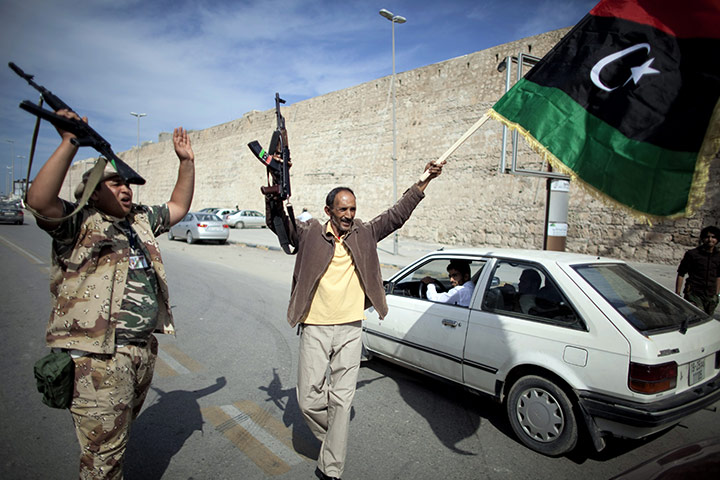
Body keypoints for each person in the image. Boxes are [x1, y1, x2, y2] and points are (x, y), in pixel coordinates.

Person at [26, 109, 195, 479]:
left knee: (114, 445)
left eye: (128, 184)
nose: (125, 189)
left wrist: (186, 163)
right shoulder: (77, 224)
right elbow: (39, 202)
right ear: (92, 190)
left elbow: (178, 207)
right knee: (103, 459)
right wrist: (71, 139)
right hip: (99, 360)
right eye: (114, 183)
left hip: (140, 352)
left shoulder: (139, 221)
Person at [266, 161, 442, 480]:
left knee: (342, 400)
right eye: (343, 209)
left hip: (350, 329)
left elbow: (397, 214)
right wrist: (275, 194)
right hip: (316, 328)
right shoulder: (310, 234)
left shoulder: (364, 233)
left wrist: (424, 180)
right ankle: (334, 441)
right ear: (329, 210)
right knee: (308, 400)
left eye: (352, 209)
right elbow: (282, 225)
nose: (348, 215)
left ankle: (332, 467)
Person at [675, 225, 720, 315]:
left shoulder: (718, 256)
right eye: (707, 237)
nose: (710, 240)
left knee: (707, 319)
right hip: (694, 293)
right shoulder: (692, 254)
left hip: (711, 295)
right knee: (695, 316)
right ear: (703, 239)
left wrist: (717, 294)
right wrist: (677, 293)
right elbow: (681, 273)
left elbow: (718, 276)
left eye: (713, 237)